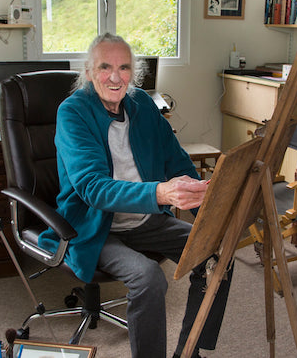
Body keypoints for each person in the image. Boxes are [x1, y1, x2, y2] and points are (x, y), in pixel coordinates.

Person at [39, 33, 233, 358]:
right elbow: (92, 188)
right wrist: (160, 193)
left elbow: (176, 161)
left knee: (215, 255)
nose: (115, 77)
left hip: (145, 219)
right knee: (148, 278)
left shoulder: (141, 103)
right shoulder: (72, 113)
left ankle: (190, 351)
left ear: (134, 72)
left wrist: (207, 212)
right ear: (88, 72)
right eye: (105, 67)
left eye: (124, 67)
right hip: (95, 228)